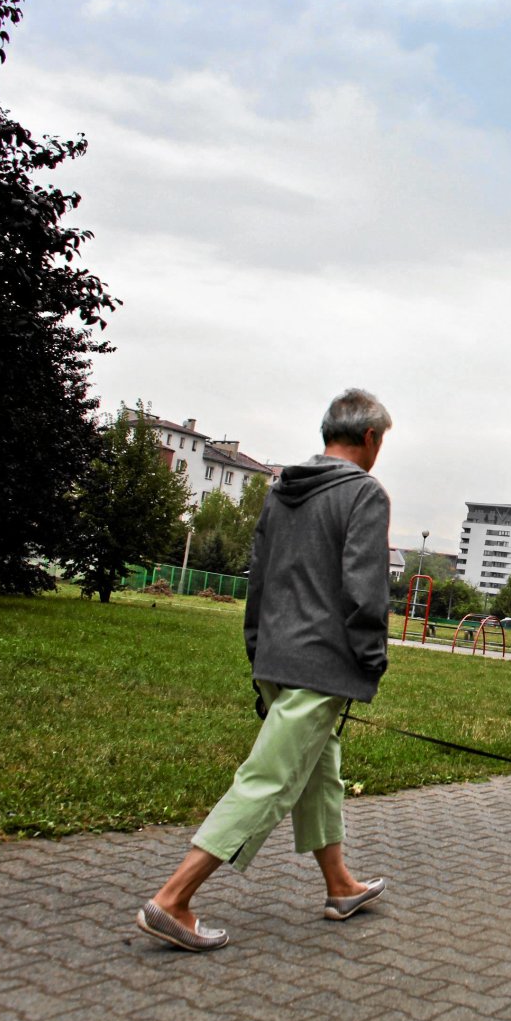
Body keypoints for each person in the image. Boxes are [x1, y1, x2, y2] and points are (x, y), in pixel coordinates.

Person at [136, 389, 395, 951]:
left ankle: (340, 884)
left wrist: (258, 650)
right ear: (371, 439)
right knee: (270, 779)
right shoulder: (365, 495)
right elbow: (365, 590)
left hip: (276, 656)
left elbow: (259, 579)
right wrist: (372, 658)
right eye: (382, 441)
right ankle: (173, 899)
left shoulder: (282, 492)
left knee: (319, 769)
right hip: (323, 664)